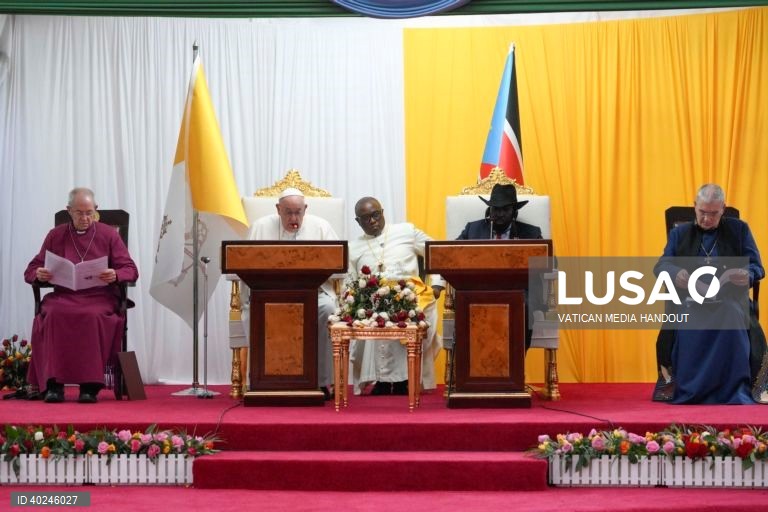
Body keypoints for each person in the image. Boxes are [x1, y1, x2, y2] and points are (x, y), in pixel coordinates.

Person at [653, 184, 766, 404]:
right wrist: (675, 273)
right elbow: (661, 266)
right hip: (690, 301)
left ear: (723, 209)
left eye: (713, 213)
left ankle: (733, 390)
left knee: (732, 315)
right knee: (688, 320)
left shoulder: (739, 230)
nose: (707, 218)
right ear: (694, 207)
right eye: (702, 212)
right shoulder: (680, 233)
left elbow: (757, 267)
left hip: (729, 300)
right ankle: (692, 389)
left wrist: (747, 274)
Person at [24, 188, 138, 403]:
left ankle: (90, 386)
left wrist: (115, 274)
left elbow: (131, 269)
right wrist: (38, 274)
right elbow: (31, 269)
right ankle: (53, 385)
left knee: (91, 315)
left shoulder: (109, 234)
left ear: (96, 210)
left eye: (90, 212)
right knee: (53, 314)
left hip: (99, 297)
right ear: (69, 211)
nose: (85, 218)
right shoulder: (55, 235)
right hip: (63, 297)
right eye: (79, 213)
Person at [241, 187, 339, 400]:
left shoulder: (321, 227)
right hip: (267, 295)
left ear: (305, 209)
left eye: (298, 212)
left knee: (328, 309)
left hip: (314, 294)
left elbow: (338, 263)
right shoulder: (260, 228)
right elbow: (243, 263)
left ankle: (322, 382)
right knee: (252, 312)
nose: (294, 218)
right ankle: (261, 381)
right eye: (288, 212)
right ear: (278, 209)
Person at [348, 196, 444, 396]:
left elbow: (438, 251)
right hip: (372, 299)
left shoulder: (406, 231)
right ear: (358, 222)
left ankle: (405, 379)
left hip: (411, 294)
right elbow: (351, 281)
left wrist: (436, 285)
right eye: (366, 218)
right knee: (373, 312)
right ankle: (381, 380)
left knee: (405, 311)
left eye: (375, 215)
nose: (372, 221)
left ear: (382, 212)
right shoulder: (353, 247)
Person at [456, 183, 544, 351]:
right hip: (479, 291)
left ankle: (516, 366)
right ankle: (473, 367)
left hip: (517, 292)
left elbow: (547, 262)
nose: (500, 214)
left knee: (524, 305)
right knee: (464, 303)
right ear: (489, 211)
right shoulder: (472, 230)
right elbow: (452, 256)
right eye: (496, 209)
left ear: (514, 212)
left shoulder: (531, 233)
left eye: (505, 210)